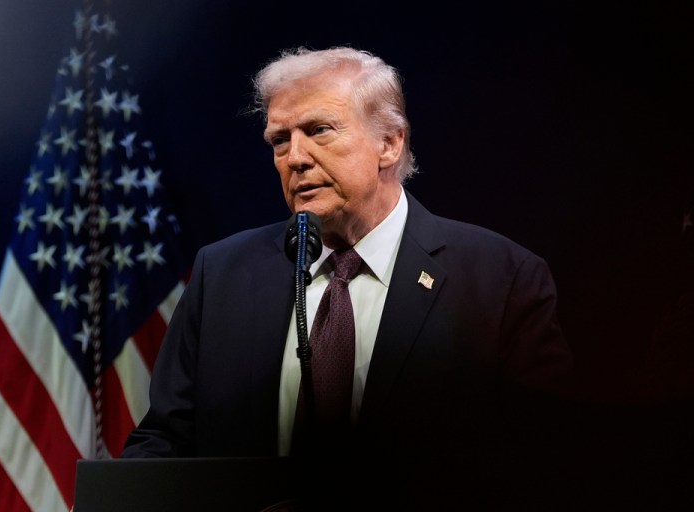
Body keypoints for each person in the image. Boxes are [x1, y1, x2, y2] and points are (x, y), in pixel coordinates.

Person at [121, 46, 574, 509]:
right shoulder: (223, 275)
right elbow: (164, 442)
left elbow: (546, 462)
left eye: (318, 130)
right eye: (279, 140)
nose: (295, 157)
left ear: (390, 142)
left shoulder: (500, 280)